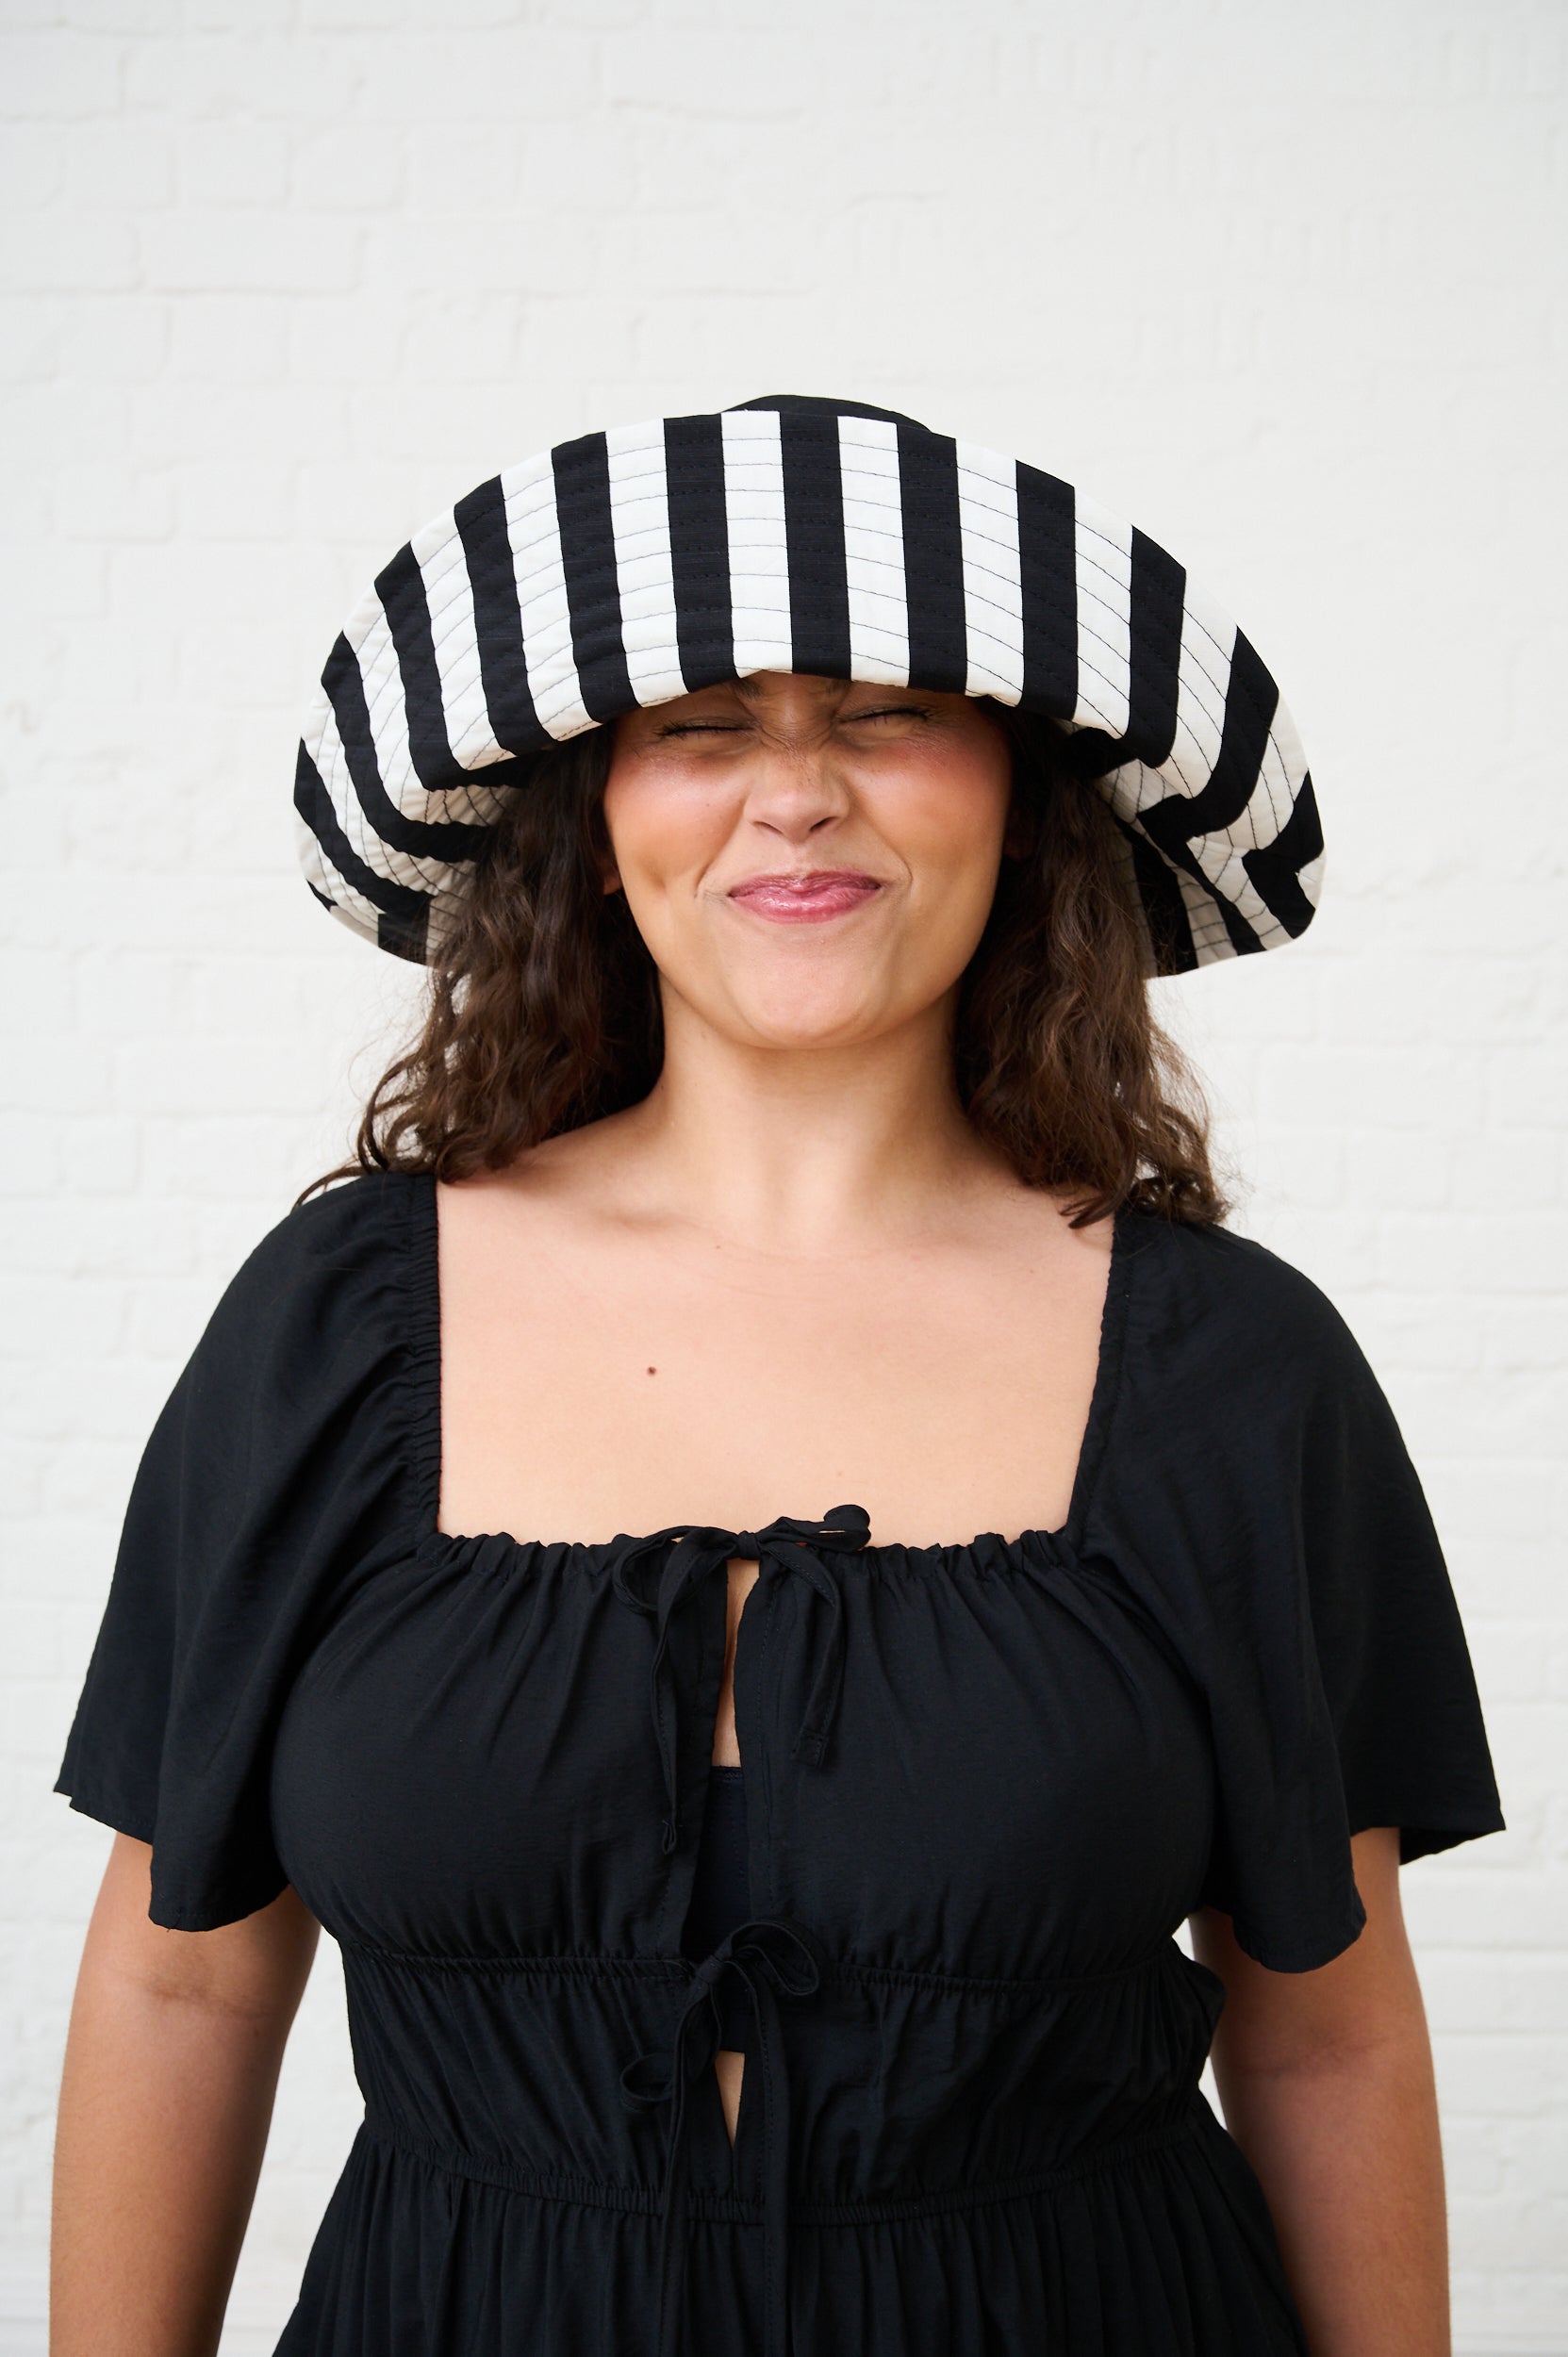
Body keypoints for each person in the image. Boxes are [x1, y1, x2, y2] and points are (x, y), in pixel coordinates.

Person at [50, 394, 1503, 2357]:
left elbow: (1324, 2033)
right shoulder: (336, 1332)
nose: (795, 793)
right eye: (700, 726)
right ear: (593, 814)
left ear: (1015, 789)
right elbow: (183, 1986)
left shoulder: (1232, 1371)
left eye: (887, 710)